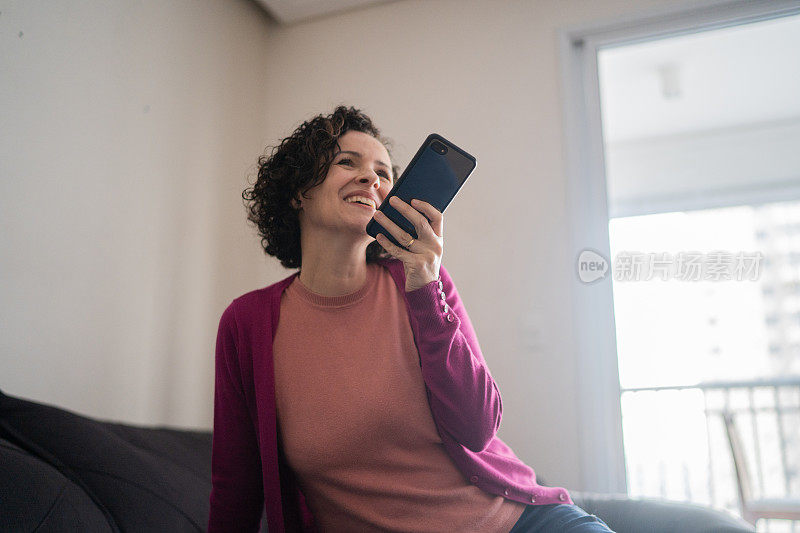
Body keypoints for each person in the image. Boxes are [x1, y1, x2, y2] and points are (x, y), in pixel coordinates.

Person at [207, 105, 614, 533]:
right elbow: (236, 487)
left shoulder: (421, 285)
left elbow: (478, 428)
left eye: (384, 173)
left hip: (520, 523)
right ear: (297, 192)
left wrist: (426, 288)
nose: (373, 179)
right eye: (348, 162)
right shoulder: (246, 324)